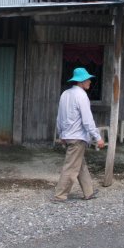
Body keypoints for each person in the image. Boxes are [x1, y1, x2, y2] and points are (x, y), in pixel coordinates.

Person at [52, 67, 105, 203]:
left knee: (80, 165)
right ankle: (60, 195)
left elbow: (60, 116)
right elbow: (87, 120)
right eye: (88, 80)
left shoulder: (65, 94)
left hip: (69, 135)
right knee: (71, 167)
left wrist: (61, 134)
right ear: (81, 81)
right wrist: (97, 137)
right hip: (77, 137)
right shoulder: (81, 95)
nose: (90, 82)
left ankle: (89, 192)